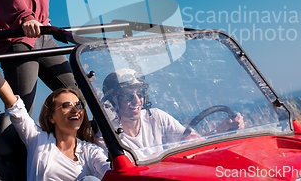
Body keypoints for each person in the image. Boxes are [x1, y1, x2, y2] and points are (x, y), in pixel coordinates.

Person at [0, 27, 110, 181]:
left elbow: (110, 170)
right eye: (66, 105)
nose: (75, 110)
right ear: (51, 117)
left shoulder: (90, 151)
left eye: (78, 105)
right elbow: (11, 99)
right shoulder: (37, 138)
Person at [97, 68, 244, 159]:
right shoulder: (107, 137)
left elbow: (190, 143)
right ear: (113, 101)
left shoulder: (156, 116)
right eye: (128, 95)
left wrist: (221, 130)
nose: (137, 100)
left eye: (140, 93)